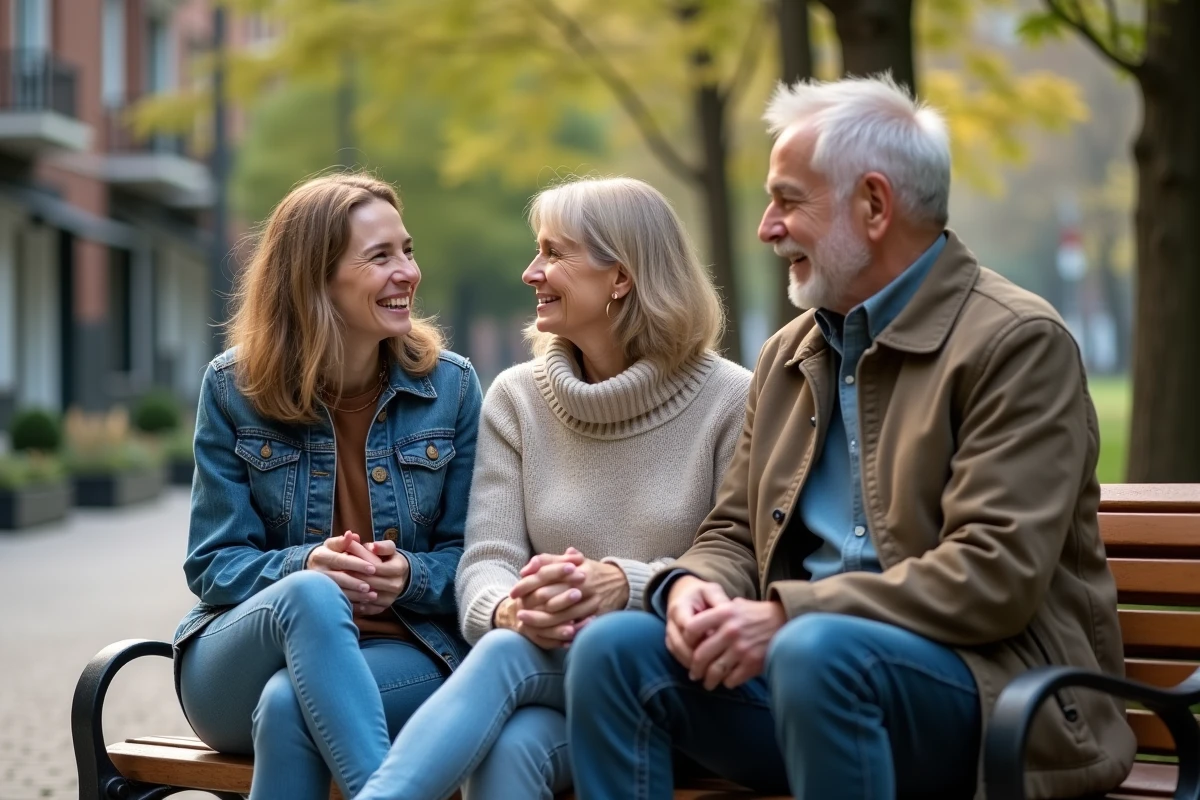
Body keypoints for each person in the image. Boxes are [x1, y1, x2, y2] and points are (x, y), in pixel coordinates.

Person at [565, 75, 1136, 800]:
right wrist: (691, 590)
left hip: (995, 694)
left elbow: (994, 576)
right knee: (615, 649)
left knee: (815, 653)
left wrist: (786, 615)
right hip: (811, 676)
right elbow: (736, 530)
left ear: (873, 205)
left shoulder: (1016, 343)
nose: (767, 228)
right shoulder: (789, 353)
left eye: (788, 201)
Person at [353, 177, 752, 800]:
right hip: (551, 673)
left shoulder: (731, 400)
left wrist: (625, 585)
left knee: (506, 661)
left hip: (675, 686)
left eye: (554, 254)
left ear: (619, 277)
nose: (530, 272)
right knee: (509, 749)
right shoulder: (516, 398)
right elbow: (486, 559)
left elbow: (742, 561)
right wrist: (511, 608)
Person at [173, 173, 483, 800]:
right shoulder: (234, 388)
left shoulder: (450, 389)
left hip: (407, 651)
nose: (408, 272)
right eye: (380, 257)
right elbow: (213, 563)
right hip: (238, 660)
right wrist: (306, 565)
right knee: (312, 594)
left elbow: (477, 560)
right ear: (316, 279)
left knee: (290, 709)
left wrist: (410, 577)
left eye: (408, 250)